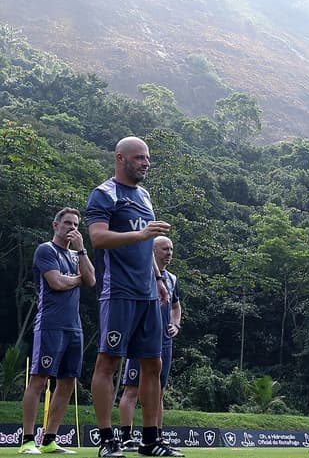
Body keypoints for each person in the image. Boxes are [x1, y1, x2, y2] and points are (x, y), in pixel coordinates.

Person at [86, 137, 180, 458]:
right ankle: (107, 440)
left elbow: (147, 244)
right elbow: (97, 238)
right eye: (139, 158)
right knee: (108, 362)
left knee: (152, 365)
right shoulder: (105, 194)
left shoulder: (144, 195)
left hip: (147, 294)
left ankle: (151, 439)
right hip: (118, 292)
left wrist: (158, 278)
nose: (145, 163)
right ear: (120, 158)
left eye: (147, 158)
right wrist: (140, 234)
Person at [19, 208, 96, 455]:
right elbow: (57, 282)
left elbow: (92, 280)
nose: (71, 228)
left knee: (68, 382)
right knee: (39, 379)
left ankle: (50, 439)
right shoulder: (46, 250)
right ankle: (28, 440)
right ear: (56, 225)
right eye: (67, 223)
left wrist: (82, 250)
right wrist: (76, 279)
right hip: (50, 324)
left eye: (75, 224)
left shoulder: (76, 255)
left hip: (74, 327)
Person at [119, 237, 182, 451]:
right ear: (153, 250)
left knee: (159, 390)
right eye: (165, 248)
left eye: (171, 249)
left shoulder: (172, 278)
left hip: (164, 341)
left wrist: (176, 324)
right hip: (143, 338)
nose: (169, 252)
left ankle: (156, 437)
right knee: (132, 389)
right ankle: (126, 436)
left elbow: (175, 306)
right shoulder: (143, 273)